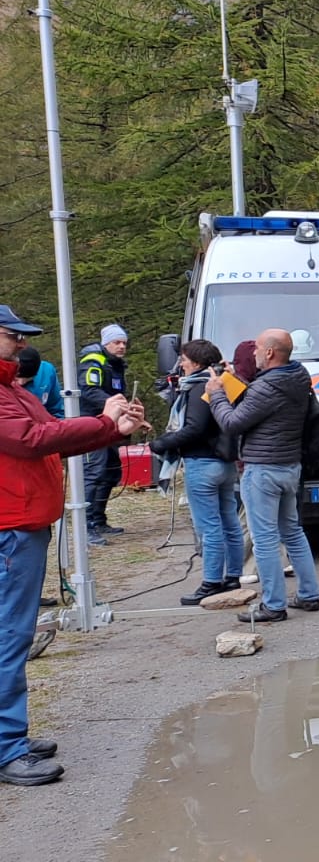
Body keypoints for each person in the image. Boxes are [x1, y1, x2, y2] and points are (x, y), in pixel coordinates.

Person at [0, 304, 145, 786]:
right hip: (10, 528)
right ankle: (6, 746)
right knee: (9, 635)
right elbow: (32, 438)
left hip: (23, 523)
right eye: (12, 336)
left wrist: (111, 429)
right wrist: (102, 419)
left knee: (13, 633)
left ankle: (10, 736)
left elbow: (53, 437)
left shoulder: (13, 388)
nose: (22, 344)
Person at [208, 329, 319, 624]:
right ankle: (308, 595)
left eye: (257, 348)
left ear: (269, 353)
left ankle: (273, 605)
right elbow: (262, 404)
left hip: (262, 470)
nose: (253, 353)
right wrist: (235, 380)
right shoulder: (298, 375)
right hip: (289, 466)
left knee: (265, 540)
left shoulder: (266, 388)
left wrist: (218, 393)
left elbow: (232, 423)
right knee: (293, 532)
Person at [151, 340, 245, 607]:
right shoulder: (226, 381)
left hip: (202, 463)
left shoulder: (197, 388)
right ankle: (232, 576)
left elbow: (194, 428)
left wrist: (160, 443)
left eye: (184, 359)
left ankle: (211, 581)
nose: (180, 364)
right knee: (230, 521)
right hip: (225, 463)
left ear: (196, 362)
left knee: (209, 527)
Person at [78, 324, 131, 541]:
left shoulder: (116, 364)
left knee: (111, 472)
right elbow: (88, 390)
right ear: (106, 343)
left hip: (109, 423)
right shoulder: (93, 360)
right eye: (116, 342)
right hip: (90, 423)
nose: (121, 347)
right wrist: (116, 406)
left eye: (124, 343)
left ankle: (99, 520)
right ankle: (86, 526)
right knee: (93, 472)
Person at [17, 347, 64, 419]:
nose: (21, 382)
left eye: (28, 379)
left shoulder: (47, 372)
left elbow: (57, 410)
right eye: (16, 378)